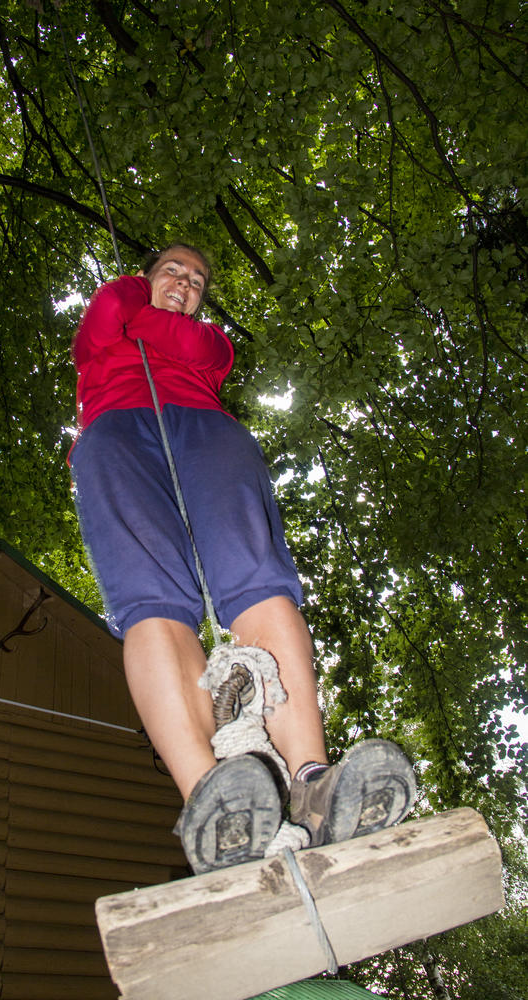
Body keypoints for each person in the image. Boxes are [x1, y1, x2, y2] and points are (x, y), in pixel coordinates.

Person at [69, 243, 415, 873]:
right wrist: (130, 301)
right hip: (116, 429)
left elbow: (198, 352)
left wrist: (140, 318)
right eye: (172, 271)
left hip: (207, 430)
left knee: (259, 582)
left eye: (197, 280)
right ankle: (213, 801)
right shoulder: (119, 298)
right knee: (152, 601)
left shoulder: (213, 344)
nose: (186, 282)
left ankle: (312, 779)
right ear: (143, 277)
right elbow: (97, 328)